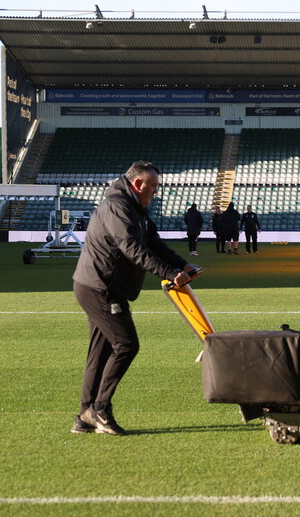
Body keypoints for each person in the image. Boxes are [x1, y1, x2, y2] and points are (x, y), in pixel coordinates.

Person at [71, 161, 201, 436]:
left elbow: (153, 242)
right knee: (126, 345)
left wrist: (182, 266)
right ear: (139, 184)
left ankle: (84, 416)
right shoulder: (118, 206)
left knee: (101, 351)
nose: (155, 192)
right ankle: (100, 410)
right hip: (101, 287)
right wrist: (168, 273)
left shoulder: (135, 208)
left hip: (100, 284)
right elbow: (131, 248)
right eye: (153, 187)